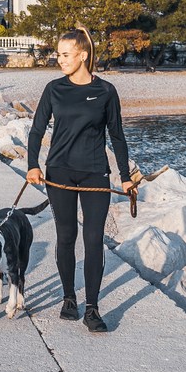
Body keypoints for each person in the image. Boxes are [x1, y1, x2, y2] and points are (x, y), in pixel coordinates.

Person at [27, 27, 133, 333]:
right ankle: (69, 298)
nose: (59, 60)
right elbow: (36, 131)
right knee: (67, 235)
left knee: (93, 240)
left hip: (95, 172)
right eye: (58, 54)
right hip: (59, 171)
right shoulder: (53, 89)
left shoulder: (106, 91)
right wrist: (33, 165)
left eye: (65, 54)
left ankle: (92, 308)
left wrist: (125, 178)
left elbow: (117, 136)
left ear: (82, 55)